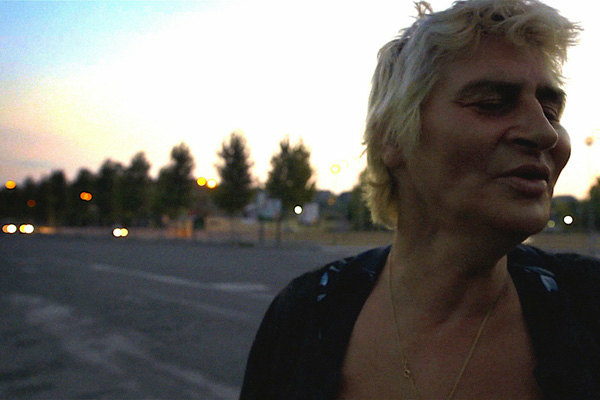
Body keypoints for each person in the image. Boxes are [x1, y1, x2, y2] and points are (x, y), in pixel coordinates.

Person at [240, 0, 600, 398]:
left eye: (551, 111)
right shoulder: (304, 317)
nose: (544, 133)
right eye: (491, 104)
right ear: (394, 138)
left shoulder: (589, 306)